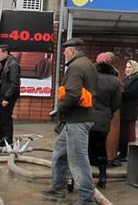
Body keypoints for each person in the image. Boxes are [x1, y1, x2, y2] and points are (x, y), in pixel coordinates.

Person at [42, 38, 98, 204]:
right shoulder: (88, 64)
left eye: (66, 50)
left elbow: (73, 94)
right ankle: (58, 188)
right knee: (60, 154)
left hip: (77, 121)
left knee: (78, 161)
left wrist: (60, 110)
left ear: (72, 51)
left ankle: (86, 198)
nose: (64, 53)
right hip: (78, 120)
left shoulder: (75, 67)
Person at [89, 52, 121, 188]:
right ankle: (102, 178)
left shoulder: (90, 77)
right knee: (101, 148)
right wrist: (110, 112)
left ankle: (78, 179)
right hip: (104, 119)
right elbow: (117, 102)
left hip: (86, 117)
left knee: (82, 149)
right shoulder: (115, 80)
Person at [0, 45, 20, 147]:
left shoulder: (13, 64)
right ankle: (3, 140)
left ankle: (8, 142)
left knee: (6, 119)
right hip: (2, 94)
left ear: (5, 53)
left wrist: (7, 98)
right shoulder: (5, 63)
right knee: (0, 118)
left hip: (8, 96)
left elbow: (14, 83)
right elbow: (0, 76)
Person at [117, 60, 138, 161]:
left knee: (128, 134)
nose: (127, 69)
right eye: (126, 67)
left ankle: (126, 154)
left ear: (135, 68)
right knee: (122, 134)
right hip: (122, 110)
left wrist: (119, 93)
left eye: (129, 67)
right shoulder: (125, 79)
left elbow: (132, 94)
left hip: (130, 111)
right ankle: (122, 153)